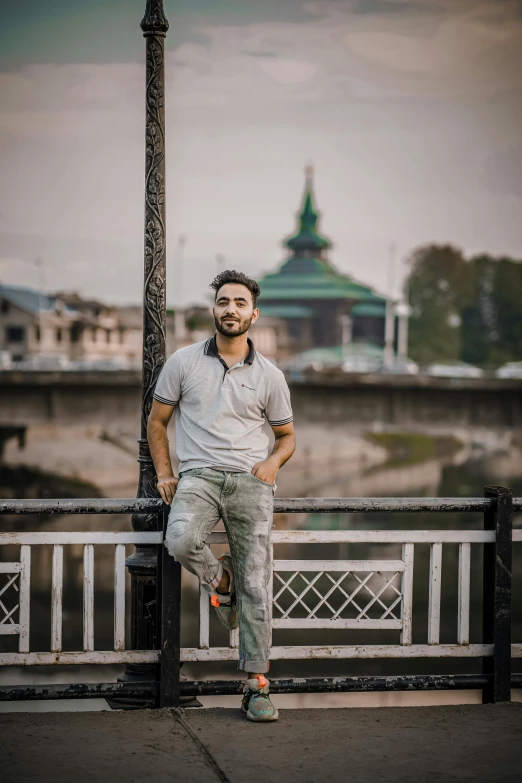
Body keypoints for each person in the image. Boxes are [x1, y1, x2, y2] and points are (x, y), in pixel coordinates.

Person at [147, 270, 296, 721]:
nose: (231, 309)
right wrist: (165, 473)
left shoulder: (270, 375)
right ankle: (221, 583)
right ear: (214, 309)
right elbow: (157, 422)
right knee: (180, 541)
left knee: (257, 583)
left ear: (254, 313)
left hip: (251, 483)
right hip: (198, 478)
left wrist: (271, 463)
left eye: (239, 303)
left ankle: (256, 686)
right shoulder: (184, 362)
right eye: (224, 301)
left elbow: (286, 436)